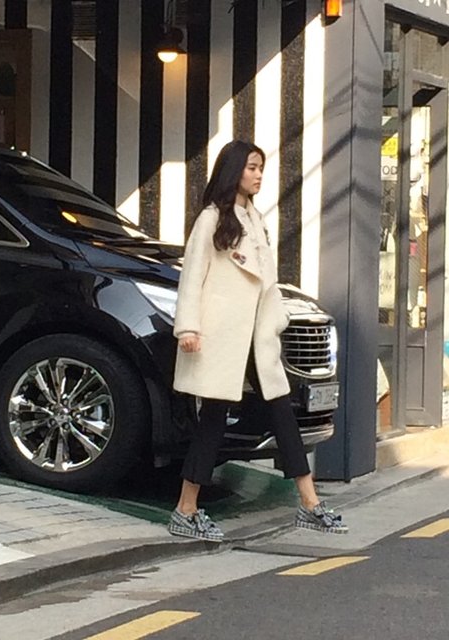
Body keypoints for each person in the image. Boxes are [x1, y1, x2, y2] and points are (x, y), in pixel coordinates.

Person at [168, 140, 347, 541]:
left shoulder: (255, 219)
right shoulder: (212, 219)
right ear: (234, 170)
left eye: (261, 168)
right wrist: (188, 328)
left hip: (258, 335)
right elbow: (191, 277)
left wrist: (277, 318)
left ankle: (310, 503)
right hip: (223, 336)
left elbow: (267, 281)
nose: (259, 175)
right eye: (252, 167)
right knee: (213, 419)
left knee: (283, 414)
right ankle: (185, 508)